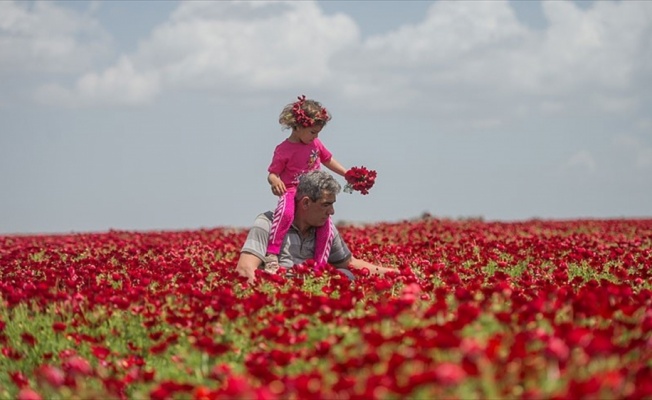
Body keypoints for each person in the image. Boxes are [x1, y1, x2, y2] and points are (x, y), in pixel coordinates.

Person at [236, 170, 396, 284]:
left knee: (345, 274)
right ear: (305, 202)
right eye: (325, 204)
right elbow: (245, 269)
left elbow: (351, 263)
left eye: (332, 204)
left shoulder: (327, 230)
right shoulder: (268, 223)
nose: (331, 211)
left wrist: (396, 274)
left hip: (314, 293)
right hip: (279, 292)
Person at [264, 95, 348, 272]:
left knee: (326, 227)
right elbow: (272, 173)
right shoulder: (284, 149)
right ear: (297, 127)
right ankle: (272, 253)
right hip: (292, 191)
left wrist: (346, 173)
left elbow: (328, 159)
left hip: (315, 191)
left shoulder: (315, 143)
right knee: (286, 215)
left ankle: (319, 265)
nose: (315, 136)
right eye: (312, 132)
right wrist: (275, 181)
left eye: (317, 133)